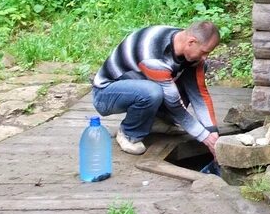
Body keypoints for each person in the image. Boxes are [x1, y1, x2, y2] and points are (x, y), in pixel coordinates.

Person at [91, 20, 220, 156]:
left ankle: (157, 121)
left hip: (141, 82)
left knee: (189, 72)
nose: (206, 57)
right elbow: (174, 104)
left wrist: (212, 131)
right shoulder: (153, 53)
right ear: (191, 42)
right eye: (204, 52)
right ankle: (129, 134)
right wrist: (204, 137)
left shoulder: (184, 43)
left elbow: (199, 94)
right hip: (106, 94)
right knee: (152, 92)